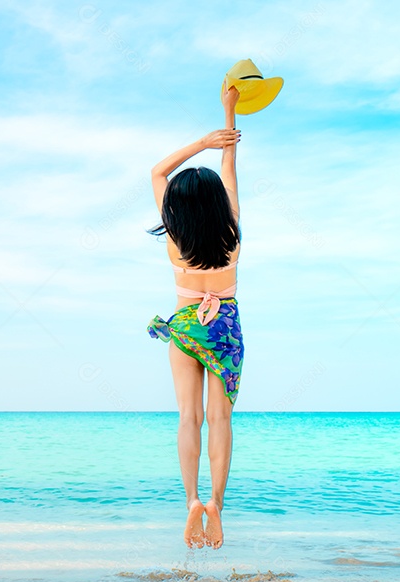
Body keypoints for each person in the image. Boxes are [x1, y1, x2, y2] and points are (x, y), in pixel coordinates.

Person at [146, 85, 243, 550]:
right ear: (218, 204)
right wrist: (230, 110)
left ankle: (191, 502)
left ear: (178, 209)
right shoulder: (232, 232)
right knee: (219, 418)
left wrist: (203, 141)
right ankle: (217, 507)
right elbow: (230, 169)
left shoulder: (175, 239)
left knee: (189, 417)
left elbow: (158, 171)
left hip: (186, 326)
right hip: (224, 328)